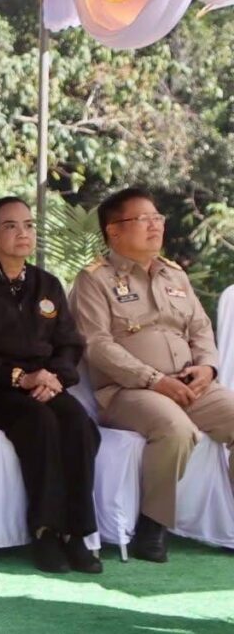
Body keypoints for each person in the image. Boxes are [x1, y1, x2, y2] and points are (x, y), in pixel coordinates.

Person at [70, 187, 234, 562]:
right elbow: (96, 344)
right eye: (143, 219)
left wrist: (207, 367)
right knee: (175, 430)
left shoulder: (174, 274)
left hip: (190, 383)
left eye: (157, 218)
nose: (155, 225)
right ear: (113, 230)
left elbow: (200, 329)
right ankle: (152, 525)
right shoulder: (94, 279)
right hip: (129, 391)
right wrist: (153, 379)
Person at [0, 197, 102, 574]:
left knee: (79, 423)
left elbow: (69, 343)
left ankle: (77, 533)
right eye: (11, 226)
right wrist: (19, 377)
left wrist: (55, 378)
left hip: (43, 384)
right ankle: (45, 532)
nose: (23, 233)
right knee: (40, 421)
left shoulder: (47, 284)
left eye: (29, 225)